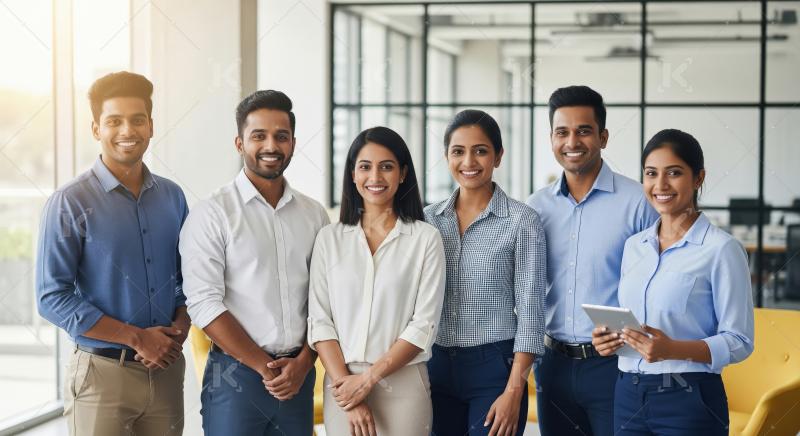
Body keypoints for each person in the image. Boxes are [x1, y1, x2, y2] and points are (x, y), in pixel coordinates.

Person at [36, 71, 189, 436]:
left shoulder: (173, 197)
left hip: (165, 372)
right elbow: (51, 297)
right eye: (114, 121)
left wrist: (181, 324)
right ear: (95, 129)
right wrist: (137, 338)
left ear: (151, 126)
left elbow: (186, 279)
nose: (127, 131)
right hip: (101, 376)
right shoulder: (70, 202)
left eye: (137, 120)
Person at [179, 90, 329, 435]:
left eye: (281, 136)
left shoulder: (314, 215)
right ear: (239, 143)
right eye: (258, 135)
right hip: (235, 376)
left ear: (293, 142)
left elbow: (324, 299)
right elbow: (203, 303)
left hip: (298, 375)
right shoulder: (213, 214)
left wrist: (305, 362)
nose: (271, 146)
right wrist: (264, 367)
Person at [592, 128, 754, 435]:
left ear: (698, 178)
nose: (660, 185)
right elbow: (632, 324)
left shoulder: (721, 249)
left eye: (674, 173)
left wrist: (672, 349)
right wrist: (608, 340)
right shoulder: (634, 246)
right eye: (651, 173)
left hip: (688, 398)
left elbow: (740, 341)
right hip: (628, 392)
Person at [526, 85, 659, 436]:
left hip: (615, 365)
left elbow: (659, 284)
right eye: (562, 132)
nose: (572, 141)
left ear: (603, 136)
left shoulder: (637, 203)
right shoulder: (535, 208)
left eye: (584, 131)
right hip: (551, 364)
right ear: (551, 138)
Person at [308, 126, 446, 436]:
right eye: (365, 167)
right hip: (342, 385)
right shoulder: (329, 239)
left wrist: (368, 380)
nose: (375, 177)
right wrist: (350, 393)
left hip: (404, 386)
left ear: (402, 174)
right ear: (353, 175)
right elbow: (320, 321)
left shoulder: (425, 239)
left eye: (387, 166)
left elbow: (424, 324)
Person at [425, 109, 546, 436]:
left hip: (494, 368)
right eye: (458, 151)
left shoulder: (523, 222)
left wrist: (514, 391)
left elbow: (532, 314)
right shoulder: (427, 221)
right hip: (434, 367)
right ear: (446, 156)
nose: (469, 161)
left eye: (480, 151)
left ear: (498, 156)